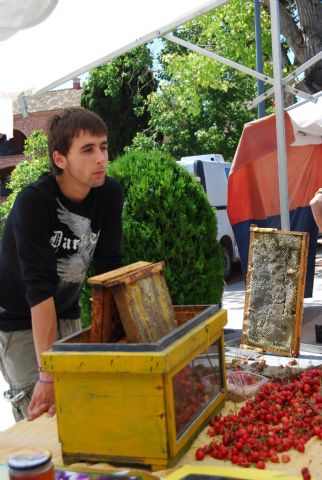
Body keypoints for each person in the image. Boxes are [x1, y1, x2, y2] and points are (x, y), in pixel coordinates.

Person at [0, 108, 123, 422]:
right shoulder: (34, 202)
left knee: (81, 409)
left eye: (103, 147)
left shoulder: (108, 194)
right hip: (20, 319)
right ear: (60, 159)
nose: (101, 158)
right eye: (87, 149)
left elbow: (108, 268)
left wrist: (119, 335)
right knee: (42, 414)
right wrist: (48, 375)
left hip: (67, 311)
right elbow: (38, 290)